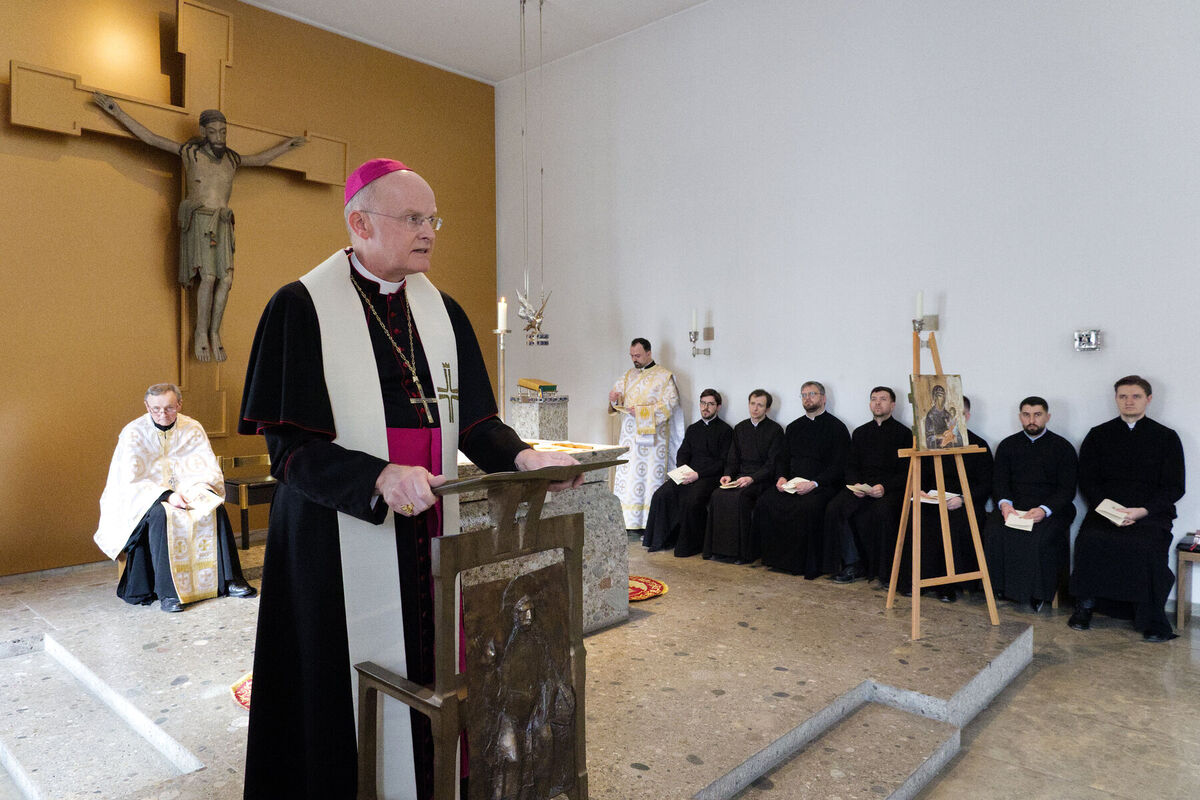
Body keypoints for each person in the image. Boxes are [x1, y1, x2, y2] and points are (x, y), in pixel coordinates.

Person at [237, 158, 581, 799]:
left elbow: (475, 420)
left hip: (427, 524)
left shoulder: (442, 311)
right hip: (334, 532)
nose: (429, 231)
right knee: (334, 687)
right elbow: (289, 451)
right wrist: (376, 477)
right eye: (414, 218)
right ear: (360, 223)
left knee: (433, 662)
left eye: (433, 219)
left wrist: (522, 457)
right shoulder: (299, 307)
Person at [92, 93, 306, 362]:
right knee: (208, 277)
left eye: (223, 131)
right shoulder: (190, 153)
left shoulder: (231, 159)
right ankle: (201, 333)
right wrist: (116, 112)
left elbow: (260, 160)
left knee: (226, 279)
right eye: (214, 131)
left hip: (223, 222)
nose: (219, 136)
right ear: (204, 132)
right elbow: (150, 138)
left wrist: (286, 146)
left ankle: (215, 332)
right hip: (201, 221)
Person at [93, 383, 256, 612]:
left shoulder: (193, 428)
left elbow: (206, 468)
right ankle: (169, 593)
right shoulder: (133, 432)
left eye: (169, 408)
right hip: (147, 499)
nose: (162, 414)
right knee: (161, 514)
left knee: (214, 507)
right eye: (156, 409)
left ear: (179, 404)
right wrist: (168, 496)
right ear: (147, 406)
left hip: (189, 491)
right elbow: (129, 481)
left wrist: (196, 490)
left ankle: (230, 580)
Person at [1069, 376, 1185, 642]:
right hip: (1106, 511)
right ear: (1116, 399)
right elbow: (1088, 480)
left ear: (1148, 399)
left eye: (1135, 396)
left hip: (1150, 514)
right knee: (1090, 539)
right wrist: (1111, 511)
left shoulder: (1167, 437)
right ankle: (1085, 606)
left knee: (1146, 546)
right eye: (1123, 396)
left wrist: (1141, 511)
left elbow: (1175, 486)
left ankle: (1151, 617)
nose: (1129, 401)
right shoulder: (1098, 434)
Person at [982, 396, 1077, 612]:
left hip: (1051, 507)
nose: (1031, 420)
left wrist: (1044, 510)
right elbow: (999, 482)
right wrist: (1005, 505)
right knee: (994, 531)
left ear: (1047, 417)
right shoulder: (1007, 445)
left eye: (1037, 415)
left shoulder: (1063, 447)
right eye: (1026, 415)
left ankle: (1038, 594)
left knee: (1039, 537)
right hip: (1014, 505)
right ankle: (1000, 588)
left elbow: (1067, 489)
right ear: (1020, 417)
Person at [897, 396, 992, 601]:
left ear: (967, 416)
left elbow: (985, 484)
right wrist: (920, 491)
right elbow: (923, 473)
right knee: (918, 518)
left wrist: (963, 499)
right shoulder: (932, 442)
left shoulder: (978, 445)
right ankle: (917, 579)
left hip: (963, 502)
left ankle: (948, 585)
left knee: (954, 524)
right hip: (933, 498)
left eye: (958, 414)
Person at [753, 382, 850, 577]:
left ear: (823, 398)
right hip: (793, 483)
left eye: (812, 394)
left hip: (822, 485)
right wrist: (781, 477)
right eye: (804, 395)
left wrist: (814, 483)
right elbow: (782, 458)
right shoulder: (793, 427)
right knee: (766, 501)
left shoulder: (837, 427)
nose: (808, 398)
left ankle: (804, 565)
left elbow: (839, 465)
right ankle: (774, 559)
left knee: (808, 507)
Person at [822, 387, 913, 583]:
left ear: (892, 405)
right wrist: (855, 484)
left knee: (882, 511)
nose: (877, 403)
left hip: (889, 489)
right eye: (874, 399)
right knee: (835, 508)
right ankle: (853, 564)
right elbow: (850, 464)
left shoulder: (904, 434)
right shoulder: (860, 432)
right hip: (861, 486)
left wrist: (884, 487)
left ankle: (885, 571)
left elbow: (907, 472)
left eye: (883, 399)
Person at [642, 389, 733, 555]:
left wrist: (697, 475)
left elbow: (722, 462)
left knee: (691, 500)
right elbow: (683, 453)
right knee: (661, 495)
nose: (705, 407)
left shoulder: (726, 430)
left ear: (718, 407)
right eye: (703, 403)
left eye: (710, 404)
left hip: (708, 477)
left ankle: (687, 546)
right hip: (688, 474)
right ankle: (661, 540)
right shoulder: (693, 429)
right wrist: (683, 470)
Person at [608, 338, 685, 531]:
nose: (634, 359)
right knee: (628, 479)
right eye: (632, 355)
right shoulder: (627, 376)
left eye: (638, 355)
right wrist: (613, 400)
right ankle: (627, 522)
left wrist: (642, 412)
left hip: (653, 441)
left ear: (649, 353)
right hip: (629, 438)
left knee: (649, 480)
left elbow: (671, 404)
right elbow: (617, 402)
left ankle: (648, 524)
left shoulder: (664, 376)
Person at [702, 390, 785, 563]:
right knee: (718, 494)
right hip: (740, 476)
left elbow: (772, 464)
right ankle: (718, 550)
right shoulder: (740, 428)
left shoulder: (775, 430)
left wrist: (752, 478)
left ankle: (740, 553)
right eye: (752, 404)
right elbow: (733, 458)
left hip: (762, 479)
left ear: (767, 409)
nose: (755, 408)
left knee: (740, 497)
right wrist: (727, 475)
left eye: (760, 405)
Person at [923, 383, 962, 449]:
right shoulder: (931, 415)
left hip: (950, 448)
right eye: (940, 395)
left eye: (944, 395)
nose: (943, 398)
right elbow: (929, 439)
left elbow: (957, 435)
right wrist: (939, 436)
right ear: (935, 398)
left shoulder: (948, 415)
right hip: (939, 448)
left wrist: (953, 436)